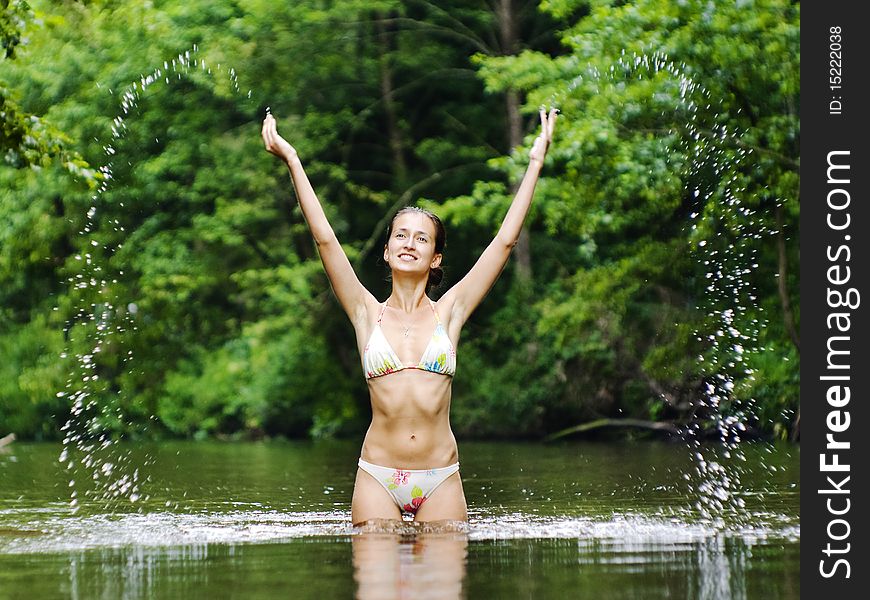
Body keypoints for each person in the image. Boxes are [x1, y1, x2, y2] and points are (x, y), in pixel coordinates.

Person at [261, 107, 556, 525]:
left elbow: (505, 242)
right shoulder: (366, 312)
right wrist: (293, 160)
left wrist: (535, 162)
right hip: (378, 477)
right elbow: (324, 238)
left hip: (441, 478)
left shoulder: (450, 311)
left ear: (435, 258)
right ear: (386, 251)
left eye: (421, 238)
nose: (409, 243)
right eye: (400, 235)